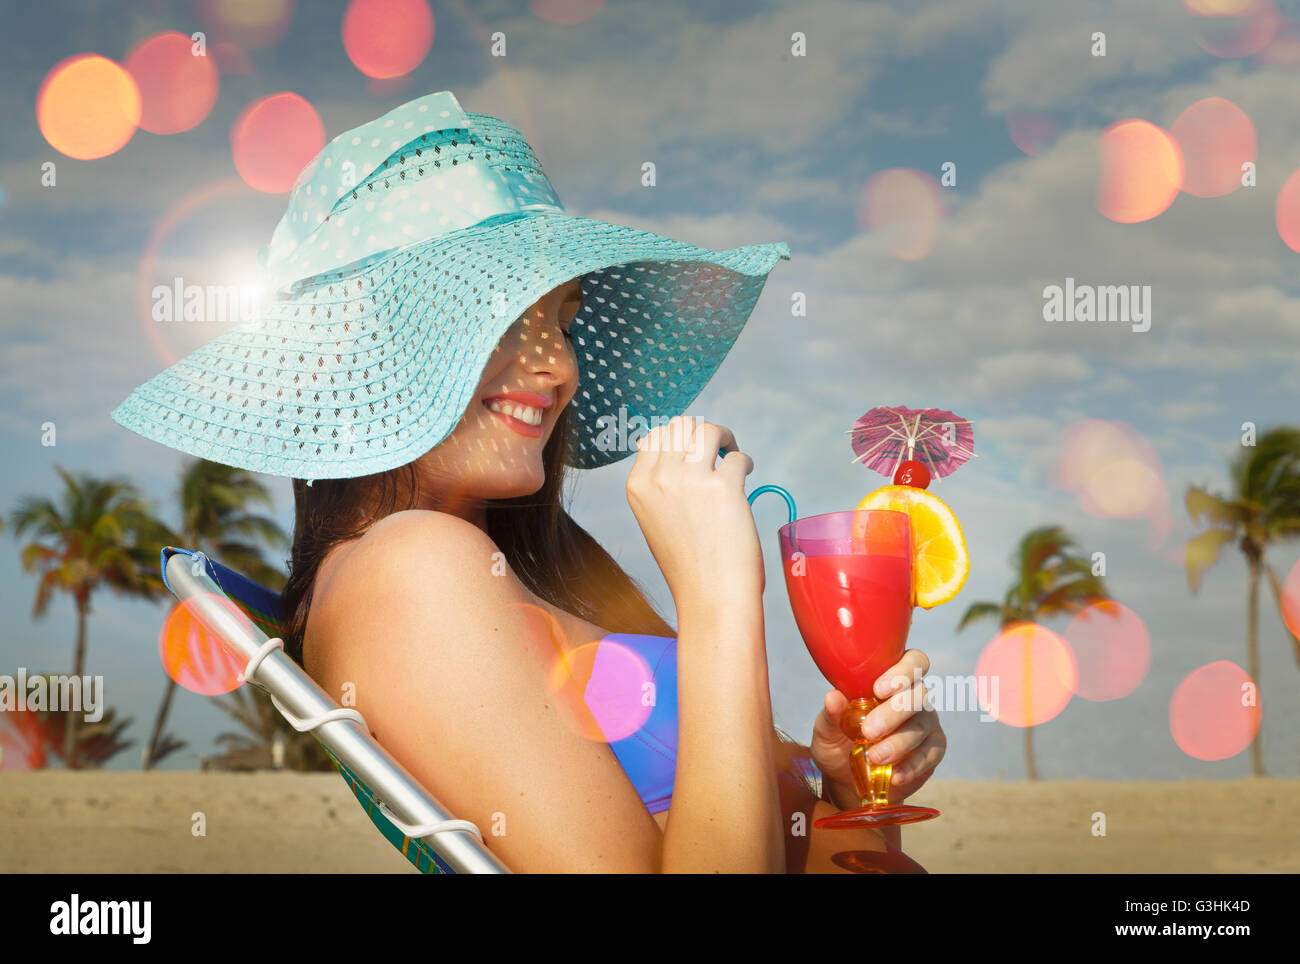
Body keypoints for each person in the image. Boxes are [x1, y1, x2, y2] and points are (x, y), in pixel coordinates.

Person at [112, 90, 946, 873]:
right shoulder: (411, 569)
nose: (559, 367)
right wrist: (723, 595)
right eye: (503, 317)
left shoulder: (516, 562)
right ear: (366, 346)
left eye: (562, 318)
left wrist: (831, 791)